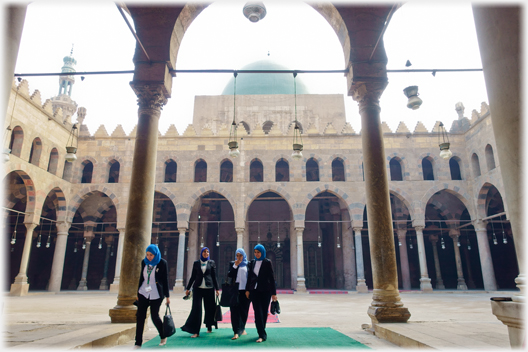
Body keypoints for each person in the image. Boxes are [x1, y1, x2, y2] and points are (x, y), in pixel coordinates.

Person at [134, 244, 170, 349]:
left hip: (156, 293)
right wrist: (138, 293)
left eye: (151, 255)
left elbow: (165, 280)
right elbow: (142, 278)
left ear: (156, 254)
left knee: (155, 316)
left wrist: (167, 296)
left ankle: (163, 336)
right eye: (147, 255)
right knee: (140, 317)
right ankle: (138, 342)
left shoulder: (162, 263)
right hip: (143, 292)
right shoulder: (144, 262)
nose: (149, 257)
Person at [181, 247, 220, 338]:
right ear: (201, 253)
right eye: (204, 252)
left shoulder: (211, 263)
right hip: (198, 288)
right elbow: (193, 277)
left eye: (207, 252)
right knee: (197, 309)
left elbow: (214, 276)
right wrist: (188, 288)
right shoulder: (196, 263)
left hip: (209, 288)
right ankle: (195, 331)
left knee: (209, 308)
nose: (205, 253)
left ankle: (209, 326)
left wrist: (217, 289)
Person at [246, 244, 277, 343]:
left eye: (258, 252)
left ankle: (261, 331)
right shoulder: (252, 262)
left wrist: (273, 293)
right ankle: (262, 334)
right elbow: (249, 277)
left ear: (262, 252)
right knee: (258, 313)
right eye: (255, 252)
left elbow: (271, 278)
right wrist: (247, 289)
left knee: (263, 313)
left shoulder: (267, 262)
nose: (257, 254)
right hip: (254, 291)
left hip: (265, 291)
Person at [227, 248, 251, 340]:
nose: (238, 257)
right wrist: (235, 266)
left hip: (245, 291)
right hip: (235, 291)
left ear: (244, 255)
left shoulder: (248, 264)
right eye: (237, 255)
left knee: (244, 311)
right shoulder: (232, 264)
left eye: (240, 255)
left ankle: (242, 328)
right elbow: (230, 275)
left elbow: (250, 278)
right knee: (234, 311)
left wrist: (248, 290)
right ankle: (236, 331)